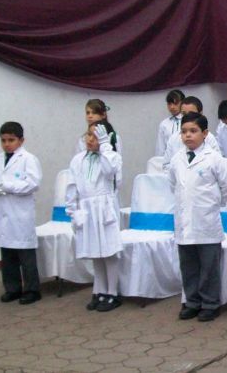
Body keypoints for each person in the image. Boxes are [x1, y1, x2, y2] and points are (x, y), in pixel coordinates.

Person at [169, 112, 227, 322]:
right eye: (184, 132)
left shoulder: (214, 158)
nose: (188, 136)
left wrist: (214, 203)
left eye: (193, 131)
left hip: (206, 220)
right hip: (184, 221)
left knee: (208, 266)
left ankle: (210, 303)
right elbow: (173, 184)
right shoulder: (177, 159)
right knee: (188, 265)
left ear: (205, 133)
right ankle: (192, 302)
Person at [0, 122, 42, 305]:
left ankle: (32, 289)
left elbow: (33, 183)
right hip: (5, 211)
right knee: (7, 253)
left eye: (11, 140)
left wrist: (7, 186)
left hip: (21, 213)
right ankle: (12, 288)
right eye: (3, 140)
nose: (7, 144)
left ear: (21, 140)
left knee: (25, 254)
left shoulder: (28, 159)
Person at [67, 121, 124, 312]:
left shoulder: (111, 157)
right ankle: (99, 290)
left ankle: (113, 292)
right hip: (86, 208)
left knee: (108, 251)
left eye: (95, 136)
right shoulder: (78, 159)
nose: (90, 139)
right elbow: (72, 185)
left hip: (104, 206)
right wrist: (72, 211)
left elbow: (110, 172)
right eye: (88, 135)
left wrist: (105, 146)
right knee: (95, 252)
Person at [162, 96, 221, 172]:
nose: (187, 117)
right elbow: (166, 166)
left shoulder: (209, 138)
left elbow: (218, 166)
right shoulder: (174, 138)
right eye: (184, 114)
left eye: (191, 113)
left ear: (201, 114)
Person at [155, 89, 185, 157]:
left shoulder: (188, 121)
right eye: (169, 104)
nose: (172, 107)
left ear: (183, 103)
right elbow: (160, 147)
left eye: (175, 103)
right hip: (169, 161)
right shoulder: (164, 124)